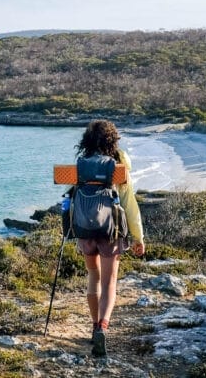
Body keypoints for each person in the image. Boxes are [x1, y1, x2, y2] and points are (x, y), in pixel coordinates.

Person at [73, 119, 145, 357]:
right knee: (109, 281)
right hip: (110, 231)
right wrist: (138, 237)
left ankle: (94, 326)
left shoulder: (81, 164)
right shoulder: (118, 163)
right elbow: (128, 202)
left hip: (84, 229)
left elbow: (72, 198)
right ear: (112, 140)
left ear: (88, 140)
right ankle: (103, 326)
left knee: (93, 276)